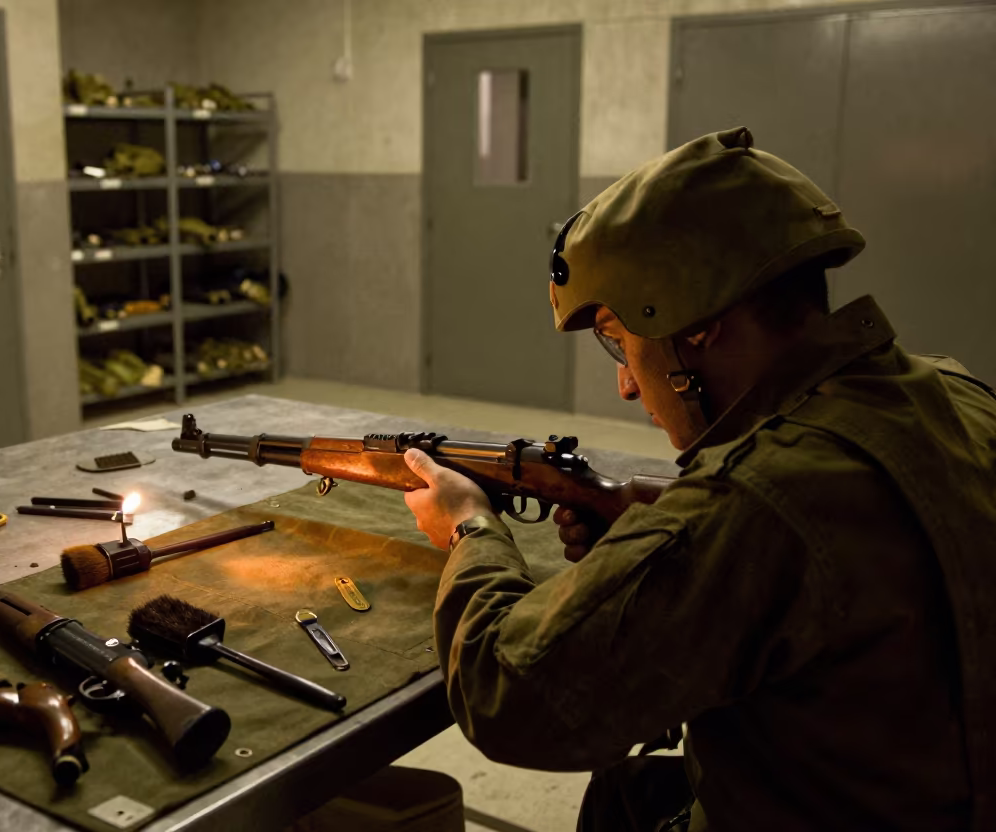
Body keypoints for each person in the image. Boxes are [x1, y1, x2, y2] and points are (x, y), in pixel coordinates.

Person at [401, 127, 996, 831]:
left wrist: (469, 527)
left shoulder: (754, 500)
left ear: (700, 327)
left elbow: (509, 695)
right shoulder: (956, 394)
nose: (627, 385)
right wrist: (666, 529)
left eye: (623, 344)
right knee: (626, 789)